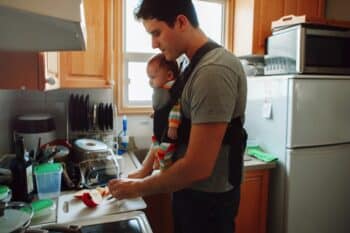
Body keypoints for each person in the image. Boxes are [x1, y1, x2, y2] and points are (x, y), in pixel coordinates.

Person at [108, 0, 247, 232]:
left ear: (181, 22)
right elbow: (172, 131)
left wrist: (139, 187)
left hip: (208, 202)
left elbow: (197, 167)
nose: (154, 43)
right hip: (189, 191)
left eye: (157, 33)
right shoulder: (188, 65)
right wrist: (144, 171)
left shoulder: (213, 71)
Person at [131, 53, 181, 177]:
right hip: (161, 133)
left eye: (153, 77)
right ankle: (158, 168)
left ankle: (164, 173)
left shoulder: (172, 91)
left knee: (164, 152)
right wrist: (157, 113)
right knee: (158, 147)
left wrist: (173, 125)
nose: (150, 82)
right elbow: (165, 107)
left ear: (169, 75)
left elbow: (176, 107)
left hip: (168, 134)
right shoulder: (163, 90)